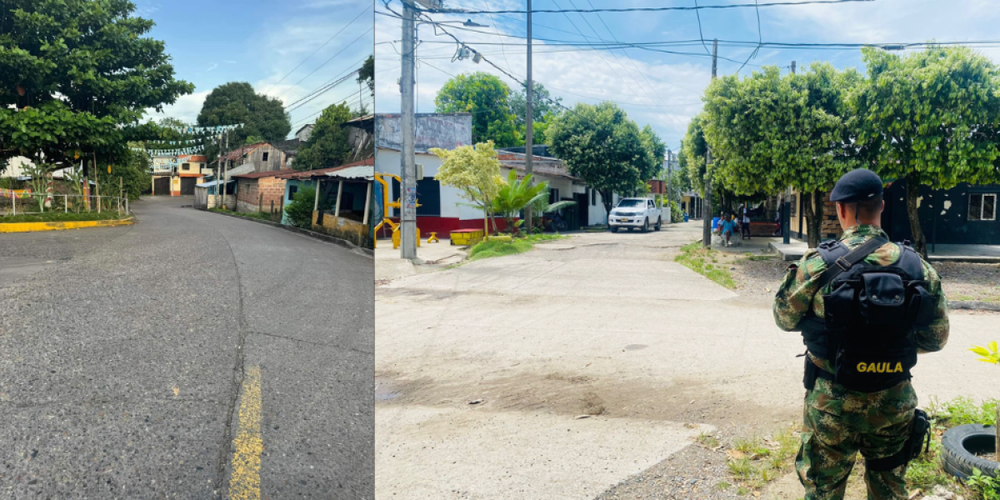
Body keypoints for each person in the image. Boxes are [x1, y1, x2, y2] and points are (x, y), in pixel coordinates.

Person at [772, 168, 949, 500]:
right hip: (893, 403)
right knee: (889, 490)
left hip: (831, 405)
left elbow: (784, 318)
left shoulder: (816, 264)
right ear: (881, 206)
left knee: (823, 491)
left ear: (841, 210)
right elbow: (936, 339)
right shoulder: (918, 268)